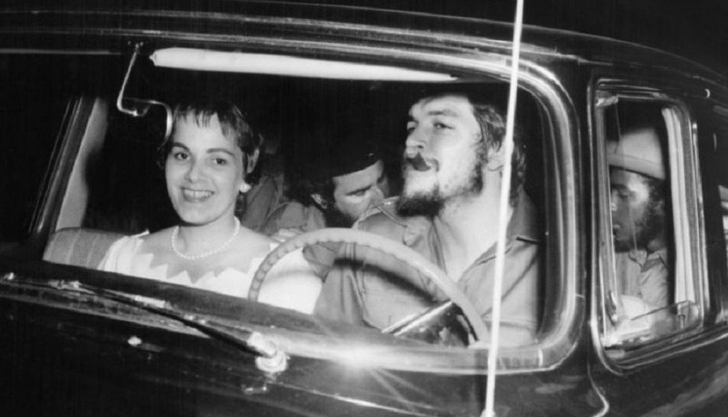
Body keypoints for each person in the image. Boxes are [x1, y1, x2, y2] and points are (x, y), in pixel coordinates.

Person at [314, 91, 542, 347]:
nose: (411, 143)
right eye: (412, 127)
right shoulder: (371, 240)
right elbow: (324, 357)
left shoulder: (562, 263)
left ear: (496, 150)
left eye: (440, 126)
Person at [99, 100, 321, 313]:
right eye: (182, 155)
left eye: (218, 161)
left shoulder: (283, 271)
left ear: (245, 173)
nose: (194, 175)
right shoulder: (124, 258)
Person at [261, 133, 391, 235]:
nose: (381, 199)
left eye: (381, 181)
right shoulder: (290, 226)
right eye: (360, 193)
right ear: (322, 199)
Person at [608, 125, 671, 312]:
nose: (610, 204)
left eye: (623, 194)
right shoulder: (609, 255)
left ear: (663, 201)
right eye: (610, 191)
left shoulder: (697, 269)